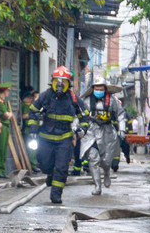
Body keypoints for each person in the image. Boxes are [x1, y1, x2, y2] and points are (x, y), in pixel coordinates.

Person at [33, 67, 80, 203]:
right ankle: (50, 173)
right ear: (52, 81)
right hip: (45, 137)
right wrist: (33, 130)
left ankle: (56, 195)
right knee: (44, 165)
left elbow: (85, 116)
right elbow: (32, 112)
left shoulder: (73, 98)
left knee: (62, 167)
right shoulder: (45, 96)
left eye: (63, 81)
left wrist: (82, 129)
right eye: (57, 81)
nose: (60, 84)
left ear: (68, 83)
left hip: (64, 138)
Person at [82, 80, 124, 179]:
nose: (99, 90)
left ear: (105, 89)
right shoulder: (87, 101)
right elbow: (81, 115)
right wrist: (78, 129)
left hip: (107, 131)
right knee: (93, 159)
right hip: (91, 132)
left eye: (101, 88)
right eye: (97, 88)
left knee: (106, 161)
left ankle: (106, 173)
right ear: (93, 89)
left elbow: (120, 113)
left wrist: (122, 129)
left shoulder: (112, 101)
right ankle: (97, 186)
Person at [20, 89, 41, 171]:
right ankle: (31, 164)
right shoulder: (26, 105)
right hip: (28, 129)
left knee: (35, 148)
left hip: (35, 128)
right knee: (31, 148)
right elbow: (24, 116)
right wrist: (34, 114)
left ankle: (34, 163)